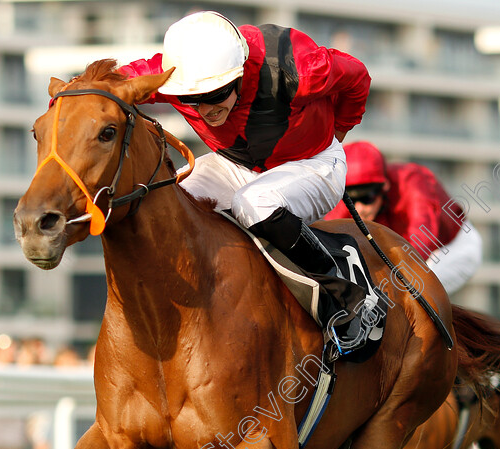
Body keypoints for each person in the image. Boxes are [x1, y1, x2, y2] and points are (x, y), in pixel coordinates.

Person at [118, 11, 373, 346]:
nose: (204, 109)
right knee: (171, 197)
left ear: (238, 75)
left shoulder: (298, 68)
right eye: (190, 99)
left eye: (214, 94)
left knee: (254, 202)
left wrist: (339, 129)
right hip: (236, 165)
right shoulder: (168, 74)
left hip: (314, 163)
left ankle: (344, 295)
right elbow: (93, 90)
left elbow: (358, 76)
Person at [325, 141, 483, 295]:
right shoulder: (346, 199)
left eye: (367, 198)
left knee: (406, 289)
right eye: (351, 200)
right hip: (408, 252)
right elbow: (327, 237)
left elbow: (420, 244)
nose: (359, 208)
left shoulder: (414, 183)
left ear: (384, 187)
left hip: (450, 247)